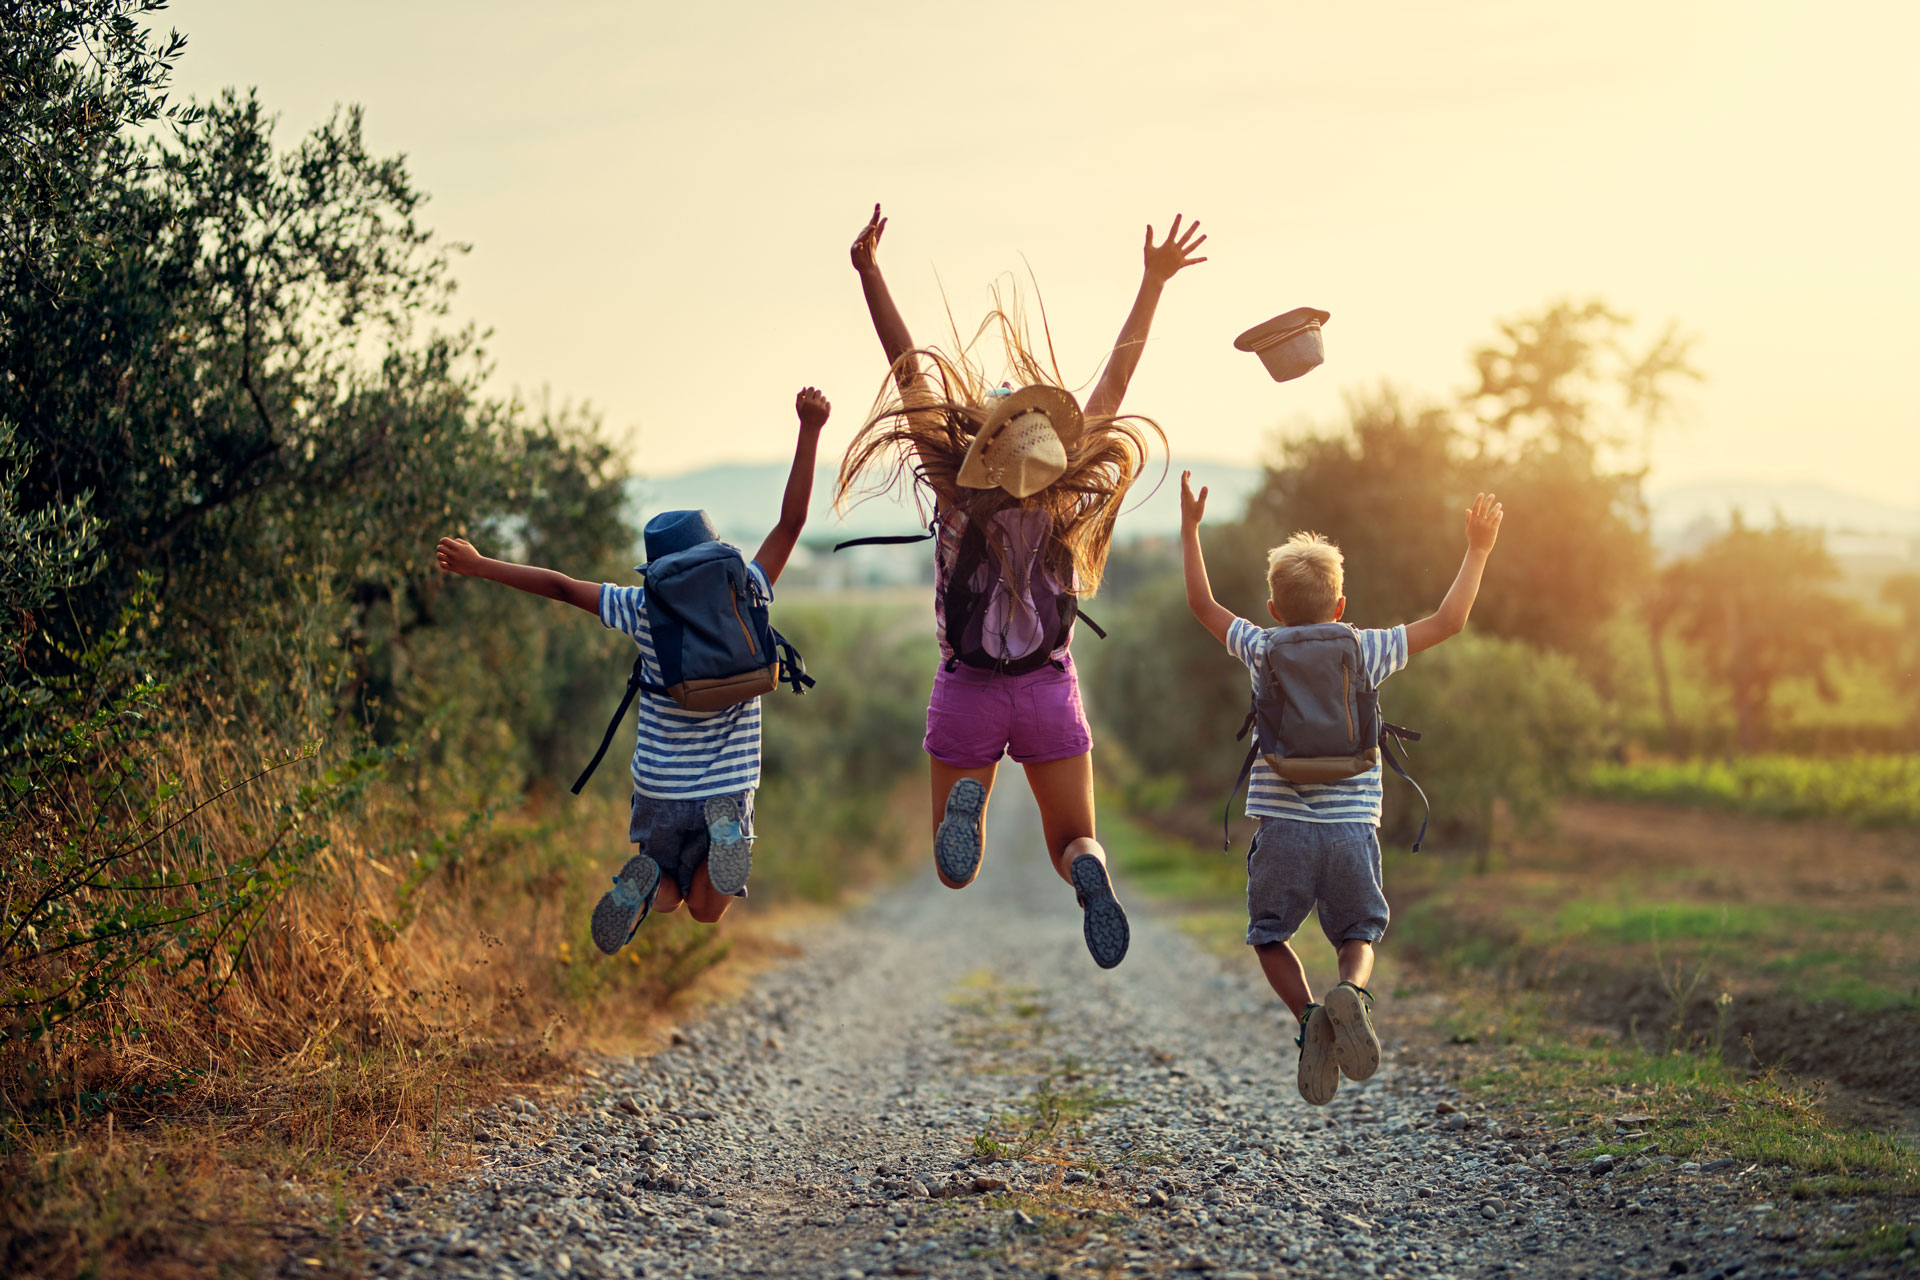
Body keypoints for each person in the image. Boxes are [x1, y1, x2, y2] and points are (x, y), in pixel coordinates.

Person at [839, 204, 1206, 969]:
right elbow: (1117, 378)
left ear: (976, 443)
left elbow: (909, 372)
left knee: (954, 871)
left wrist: (870, 274)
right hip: (1047, 689)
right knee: (1074, 839)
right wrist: (1153, 282)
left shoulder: (956, 498)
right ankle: (1091, 872)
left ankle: (969, 810)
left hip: (968, 687)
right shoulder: (1065, 498)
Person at [434, 387, 830, 953]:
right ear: (713, 553)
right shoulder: (746, 591)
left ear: (657, 570)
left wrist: (480, 565)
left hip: (661, 787)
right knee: (707, 910)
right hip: (727, 783)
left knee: (666, 891)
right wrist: (809, 428)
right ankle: (725, 835)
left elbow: (560, 586)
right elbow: (790, 525)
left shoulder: (641, 608)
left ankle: (642, 890)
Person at [1178, 470, 1503, 1102]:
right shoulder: (1367, 648)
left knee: (1269, 935)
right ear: (1340, 605)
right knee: (1360, 931)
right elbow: (1450, 620)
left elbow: (1202, 605)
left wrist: (1191, 530)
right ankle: (1350, 991)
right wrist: (1478, 548)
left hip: (1283, 831)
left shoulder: (1261, 646)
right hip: (1353, 829)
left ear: (1274, 608)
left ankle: (1308, 1018)